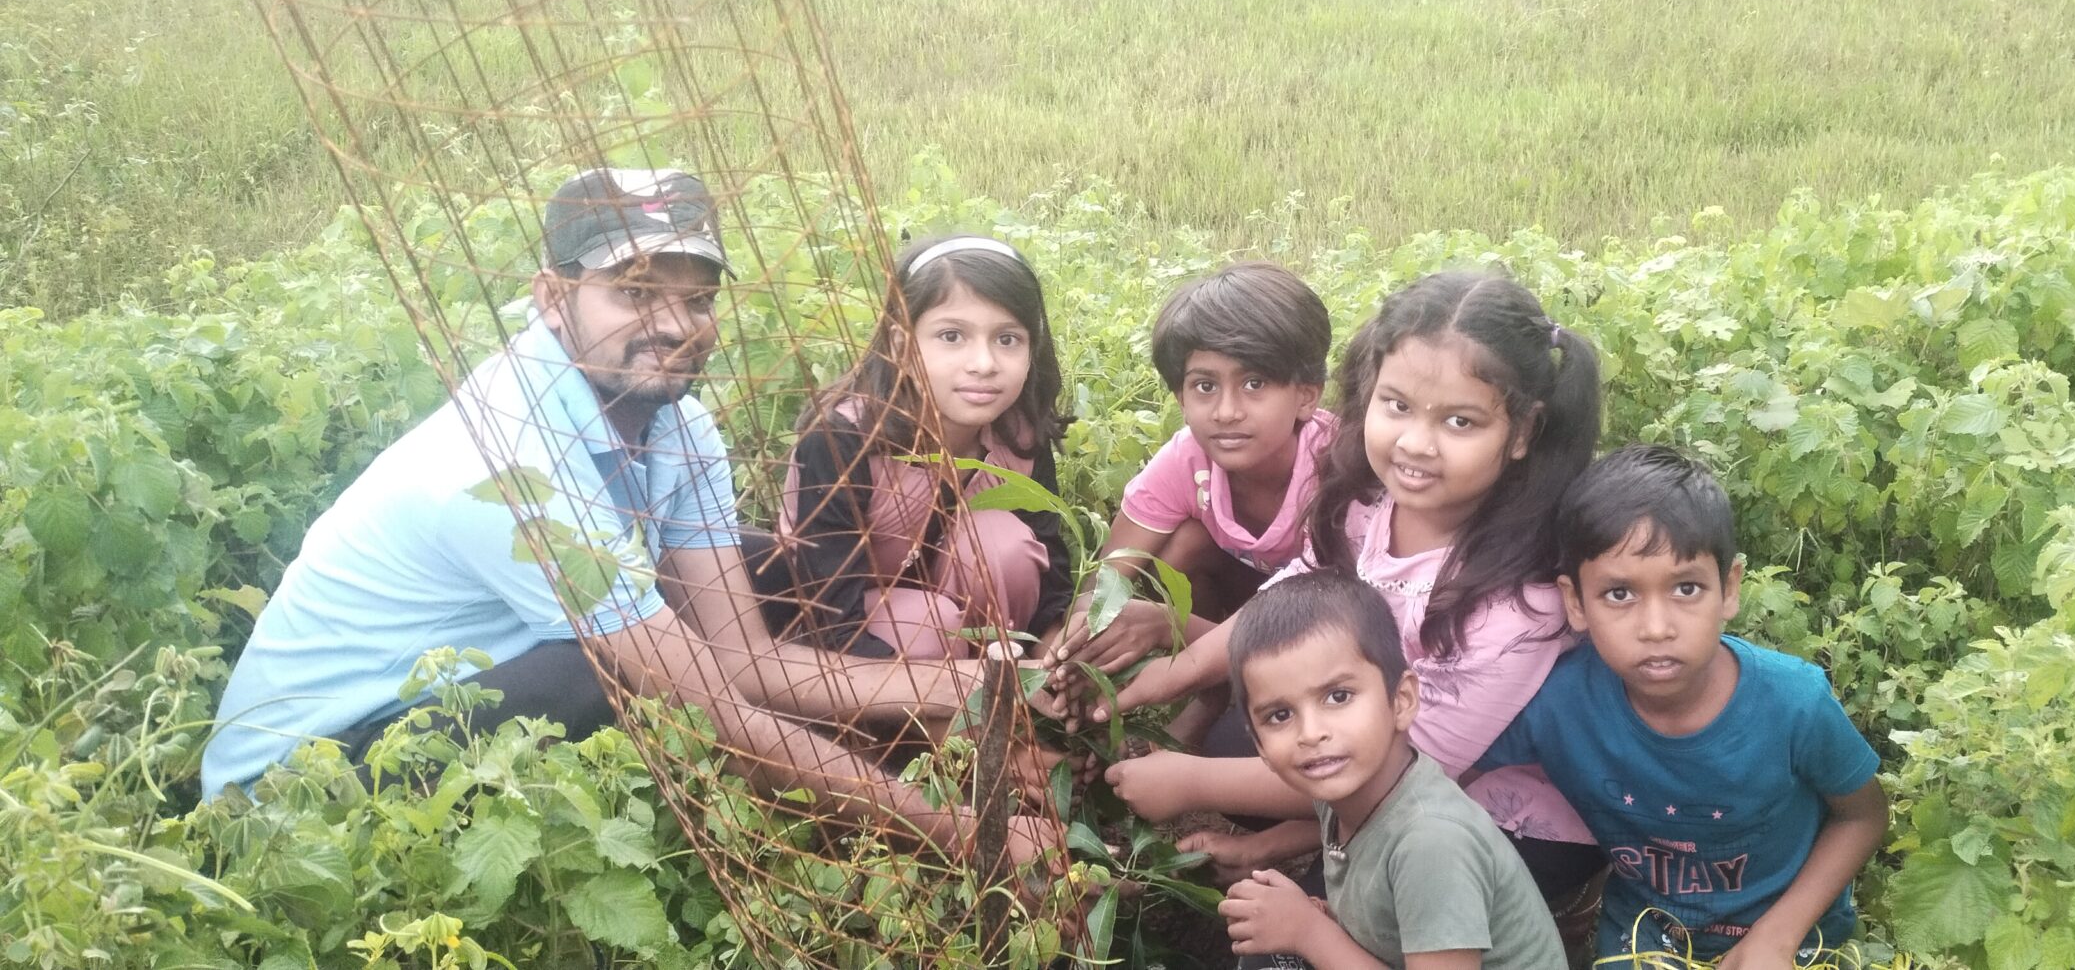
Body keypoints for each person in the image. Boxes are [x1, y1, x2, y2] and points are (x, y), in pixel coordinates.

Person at [204, 169, 1053, 862]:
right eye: (635, 292)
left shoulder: (678, 425)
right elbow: (715, 711)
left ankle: (883, 759)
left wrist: (961, 686)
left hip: (473, 683)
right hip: (304, 787)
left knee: (766, 568)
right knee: (610, 671)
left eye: (698, 299)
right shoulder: (508, 461)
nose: (674, 326)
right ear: (553, 296)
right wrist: (964, 833)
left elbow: (744, 656)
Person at [1094, 270, 1607, 903]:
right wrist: (1169, 676)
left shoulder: (1522, 601)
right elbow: (1293, 598)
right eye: (1397, 406)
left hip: (1499, 817)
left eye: (1460, 421)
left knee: (1302, 935)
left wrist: (1193, 783)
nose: (1415, 444)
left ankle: (1544, 905)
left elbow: (1409, 773)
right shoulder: (1368, 504)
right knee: (1242, 737)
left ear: (1524, 431)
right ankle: (1323, 843)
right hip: (1383, 756)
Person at [1472, 445, 1887, 967]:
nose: (1656, 628)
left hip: (1795, 936)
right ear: (1575, 602)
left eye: (1686, 588)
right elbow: (1447, 772)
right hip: (1645, 937)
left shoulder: (1793, 703)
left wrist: (1779, 935)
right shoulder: (1557, 702)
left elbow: (1863, 817)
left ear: (1728, 589)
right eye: (1619, 594)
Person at [1217, 568, 1565, 970]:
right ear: (1259, 744)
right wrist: (1325, 921)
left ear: (1401, 700)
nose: (1310, 734)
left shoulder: (1432, 843)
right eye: (1280, 715)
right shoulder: (1345, 790)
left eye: (1338, 696)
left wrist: (1310, 932)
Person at [750, 235, 1072, 660]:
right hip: (848, 634)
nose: (984, 364)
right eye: (952, 336)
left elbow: (1050, 573)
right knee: (929, 622)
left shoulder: (1020, 437)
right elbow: (829, 614)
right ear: (902, 346)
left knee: (1003, 545)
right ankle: (965, 695)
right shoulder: (842, 441)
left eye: (1007, 339)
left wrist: (1056, 653)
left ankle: (1009, 671)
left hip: (971, 620)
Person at [1039, 261, 1335, 698]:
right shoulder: (1185, 461)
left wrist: (1168, 625)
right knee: (1183, 545)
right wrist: (1075, 655)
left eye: (1255, 383)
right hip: (1238, 609)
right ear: (1180, 397)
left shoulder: (1336, 472)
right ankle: (1215, 696)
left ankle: (1209, 690)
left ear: (1306, 396)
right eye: (1205, 386)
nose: (1226, 411)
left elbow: (1326, 619)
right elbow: (1106, 582)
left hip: (1325, 619)